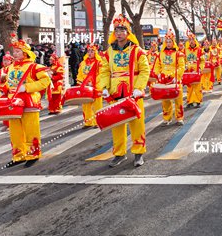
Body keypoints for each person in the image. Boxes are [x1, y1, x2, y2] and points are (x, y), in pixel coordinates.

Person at [98, 14, 150, 168]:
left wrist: (139, 88)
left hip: (133, 92)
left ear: (128, 32)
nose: (119, 33)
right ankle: (119, 154)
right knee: (117, 125)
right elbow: (104, 71)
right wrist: (105, 87)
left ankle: (138, 152)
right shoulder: (109, 52)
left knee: (137, 124)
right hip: (115, 92)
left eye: (122, 30)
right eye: (117, 30)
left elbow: (145, 70)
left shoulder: (137, 50)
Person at [4, 36, 51, 167]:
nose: (15, 54)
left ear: (25, 53)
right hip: (13, 102)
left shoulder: (34, 67)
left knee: (31, 130)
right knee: (15, 131)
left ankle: (33, 155)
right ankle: (18, 156)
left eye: (18, 51)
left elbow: (45, 81)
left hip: (29, 101)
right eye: (14, 51)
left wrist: (27, 87)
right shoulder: (10, 67)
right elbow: (6, 83)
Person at [153, 31, 186, 126]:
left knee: (178, 99)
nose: (168, 43)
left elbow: (181, 66)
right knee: (165, 100)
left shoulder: (178, 54)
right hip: (163, 79)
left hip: (175, 78)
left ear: (173, 42)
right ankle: (167, 118)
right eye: (166, 41)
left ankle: (179, 118)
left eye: (170, 41)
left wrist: (176, 75)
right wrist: (158, 74)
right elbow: (156, 66)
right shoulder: (160, 54)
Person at [75, 44, 106, 127]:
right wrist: (81, 82)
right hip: (85, 86)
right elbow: (80, 74)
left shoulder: (99, 63)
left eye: (92, 51)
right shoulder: (83, 63)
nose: (90, 53)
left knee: (97, 105)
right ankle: (88, 122)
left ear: (95, 52)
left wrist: (93, 82)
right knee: (86, 105)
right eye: (88, 51)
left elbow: (101, 74)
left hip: (96, 86)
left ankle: (97, 122)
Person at [183, 33, 205, 108]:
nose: (191, 41)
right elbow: (183, 60)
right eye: (190, 40)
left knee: (197, 87)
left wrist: (200, 68)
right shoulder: (185, 50)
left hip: (197, 71)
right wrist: (184, 67)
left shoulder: (199, 50)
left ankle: (198, 101)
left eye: (192, 39)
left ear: (195, 40)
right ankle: (190, 101)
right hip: (188, 71)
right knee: (189, 87)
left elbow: (202, 61)